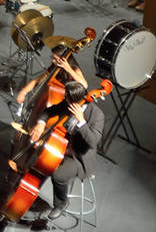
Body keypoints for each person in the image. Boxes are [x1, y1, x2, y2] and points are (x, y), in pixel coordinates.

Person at [21, 81, 103, 220]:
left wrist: (81, 121)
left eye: (67, 99)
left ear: (76, 100)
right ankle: (30, 194)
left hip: (78, 156)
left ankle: (61, 203)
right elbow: (49, 111)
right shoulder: (68, 103)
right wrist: (41, 123)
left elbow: (93, 142)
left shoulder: (97, 115)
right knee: (39, 161)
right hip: (60, 146)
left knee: (58, 175)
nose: (65, 100)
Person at [15, 45, 89, 105]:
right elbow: (37, 80)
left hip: (71, 101)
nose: (52, 61)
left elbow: (84, 85)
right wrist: (23, 92)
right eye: (52, 58)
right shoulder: (54, 67)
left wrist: (68, 69)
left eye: (54, 58)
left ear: (62, 59)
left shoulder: (75, 69)